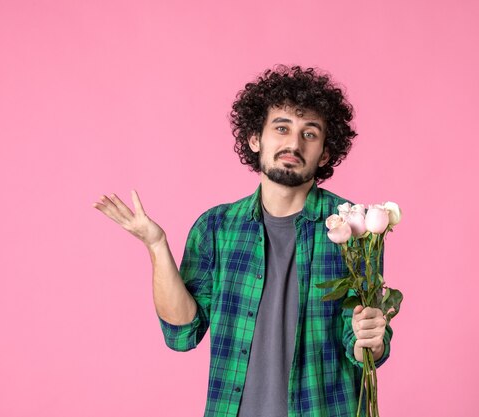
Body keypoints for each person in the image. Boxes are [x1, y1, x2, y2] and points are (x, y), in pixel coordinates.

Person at [93, 65, 393, 417]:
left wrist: (368, 338)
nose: (293, 144)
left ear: (325, 153)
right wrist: (157, 246)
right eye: (281, 128)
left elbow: (362, 342)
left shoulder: (355, 227)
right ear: (255, 139)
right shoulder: (216, 228)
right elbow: (182, 333)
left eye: (309, 134)